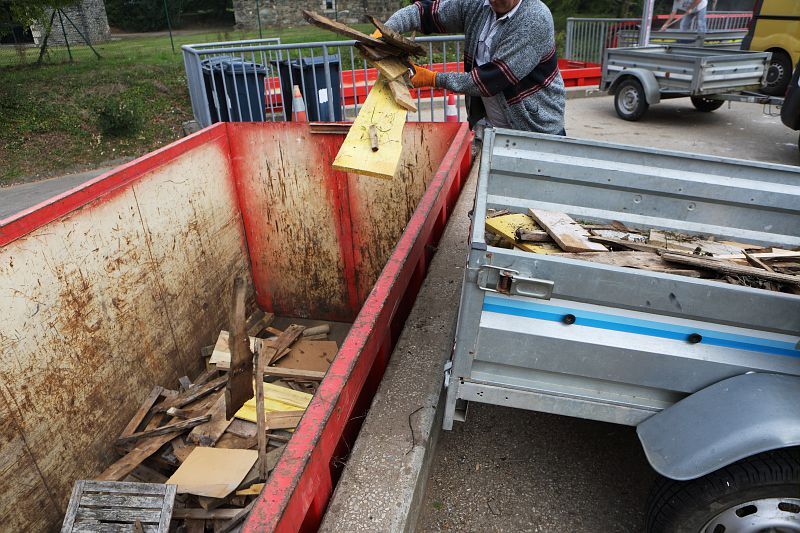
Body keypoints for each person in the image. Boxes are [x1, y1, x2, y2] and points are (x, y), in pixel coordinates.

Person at [382, 0, 566, 136]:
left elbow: (490, 79)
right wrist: (385, 30)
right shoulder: (478, 5)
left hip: (535, 130)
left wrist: (433, 79)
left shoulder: (534, 19)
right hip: (489, 127)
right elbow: (425, 13)